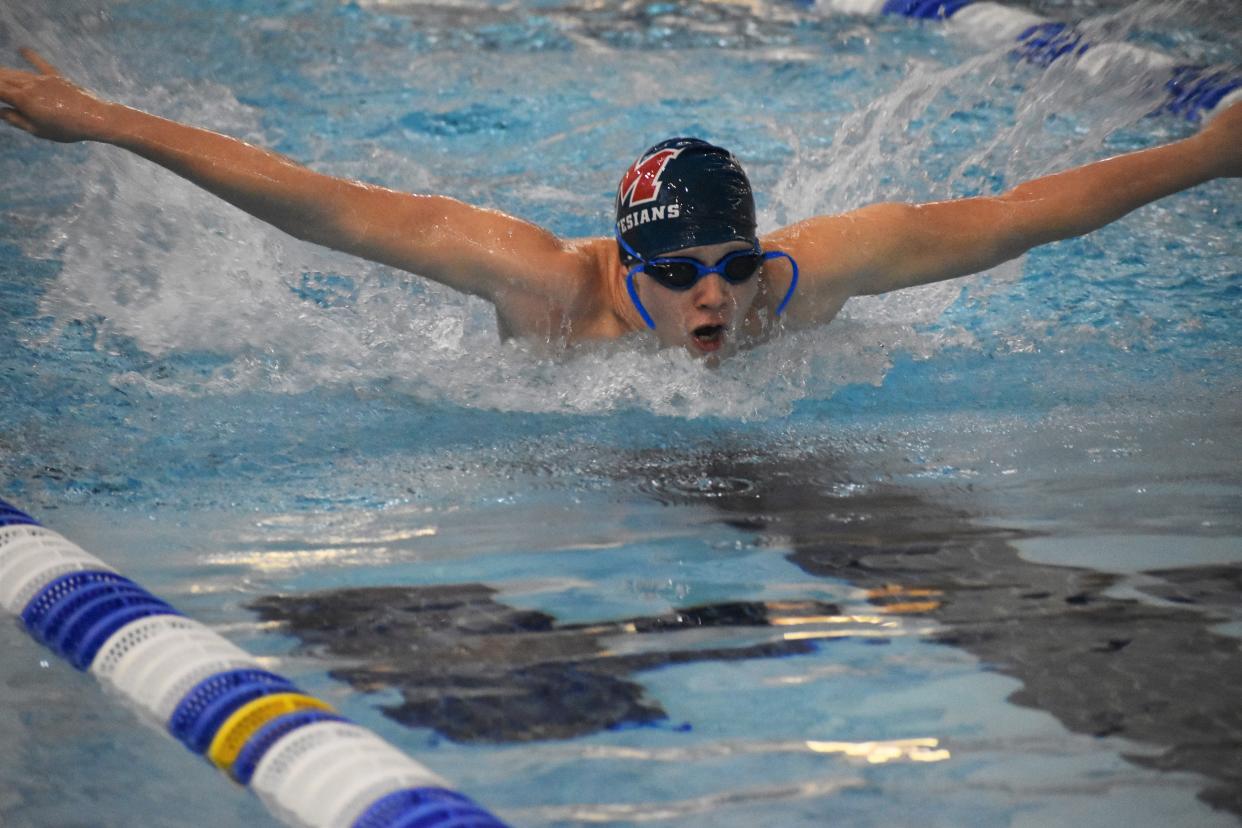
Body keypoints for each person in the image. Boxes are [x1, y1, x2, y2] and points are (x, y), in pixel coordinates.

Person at [2, 48, 1239, 363]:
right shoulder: (545, 284)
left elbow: (1025, 213)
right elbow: (321, 207)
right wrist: (99, 117)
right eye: (680, 272)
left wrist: (1210, 152)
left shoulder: (805, 278)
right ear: (624, 266)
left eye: (730, 263)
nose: (715, 294)